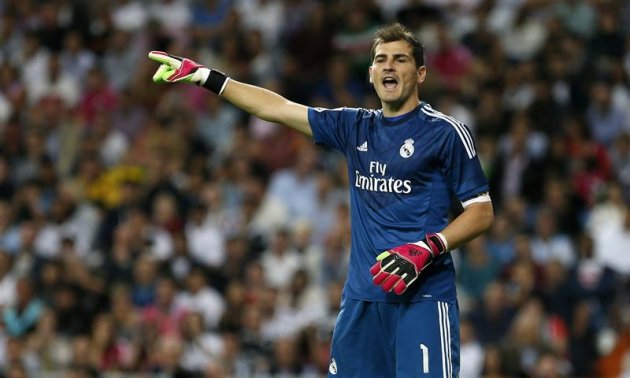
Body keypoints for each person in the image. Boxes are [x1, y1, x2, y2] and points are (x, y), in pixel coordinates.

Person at [148, 22, 494, 377]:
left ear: (420, 73)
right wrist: (206, 75)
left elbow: (482, 212)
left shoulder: (445, 132)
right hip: (362, 299)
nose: (389, 66)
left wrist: (429, 247)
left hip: (422, 300)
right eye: (381, 60)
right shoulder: (354, 126)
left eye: (400, 60)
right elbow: (277, 109)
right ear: (372, 73)